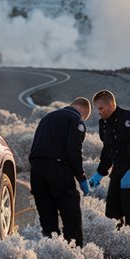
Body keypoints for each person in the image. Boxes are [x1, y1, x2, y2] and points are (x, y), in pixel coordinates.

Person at [28, 97, 93, 246]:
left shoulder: (47, 118)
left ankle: (51, 252)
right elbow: (74, 151)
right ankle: (73, 254)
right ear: (83, 109)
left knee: (47, 218)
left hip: (37, 171)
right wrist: (81, 178)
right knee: (71, 215)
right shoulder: (75, 120)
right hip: (57, 169)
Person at [88, 90, 130, 232]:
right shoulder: (103, 124)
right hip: (117, 171)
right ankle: (117, 247)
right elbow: (107, 151)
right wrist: (99, 173)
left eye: (100, 108)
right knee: (111, 215)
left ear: (111, 105)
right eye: (97, 109)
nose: (98, 112)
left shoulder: (129, 119)